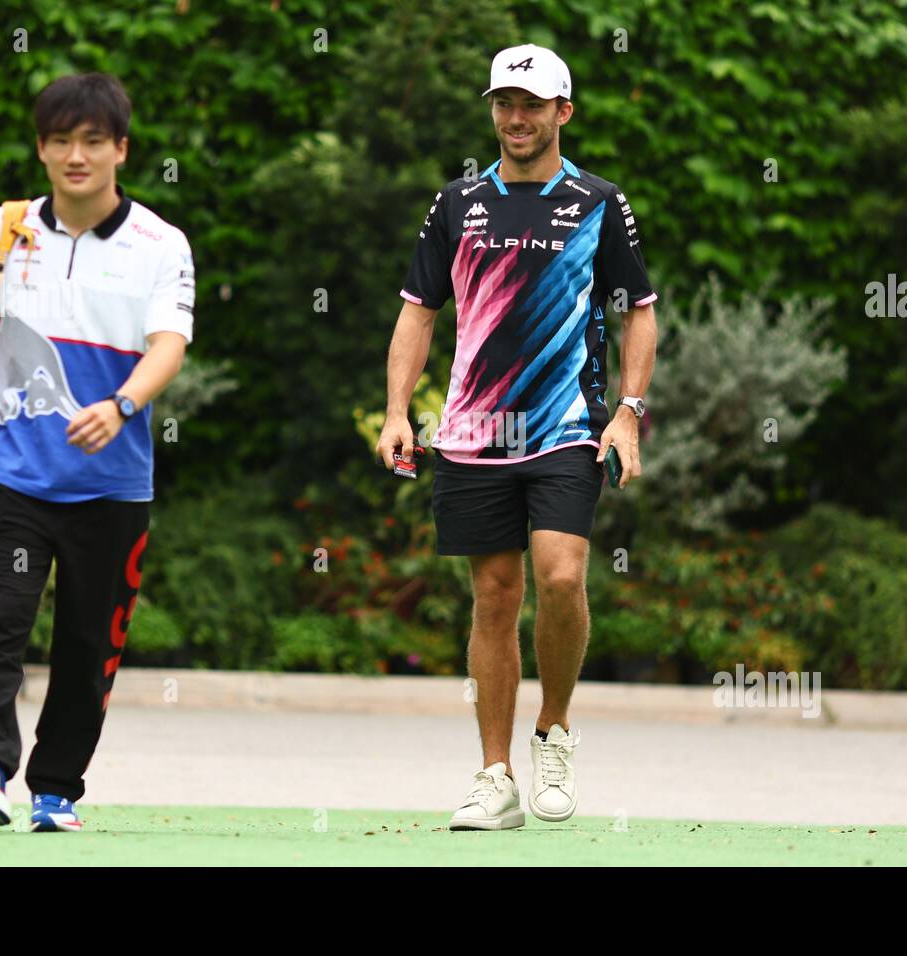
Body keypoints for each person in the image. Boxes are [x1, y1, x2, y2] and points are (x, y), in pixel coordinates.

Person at [376, 44, 658, 830]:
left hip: (567, 426)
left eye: (532, 104)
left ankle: (555, 730)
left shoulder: (599, 201)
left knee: (561, 578)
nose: (516, 117)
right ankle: (495, 778)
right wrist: (398, 412)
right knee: (494, 598)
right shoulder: (456, 203)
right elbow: (417, 310)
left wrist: (629, 411)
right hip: (472, 431)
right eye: (504, 102)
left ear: (563, 112)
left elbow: (639, 308)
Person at [0, 73, 195, 832]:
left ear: (121, 149)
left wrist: (122, 406)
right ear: (42, 148)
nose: (74, 156)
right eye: (58, 140)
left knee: (89, 643)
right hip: (12, 475)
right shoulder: (7, 229)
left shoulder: (159, 244)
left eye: (91, 141)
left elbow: (168, 344)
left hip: (113, 489)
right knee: (1, 619)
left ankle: (56, 790)